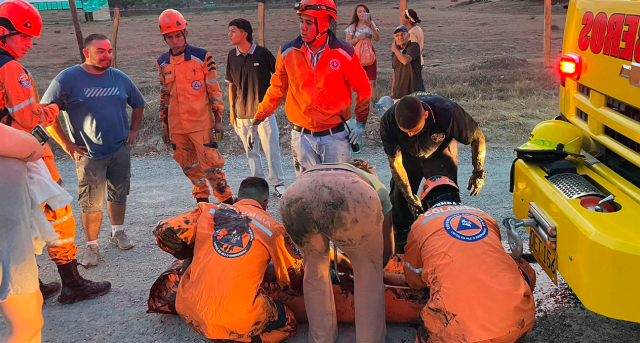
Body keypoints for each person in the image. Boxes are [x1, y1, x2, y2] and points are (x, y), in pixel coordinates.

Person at [0, 0, 111, 304]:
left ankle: (27, 284)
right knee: (60, 213)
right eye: (24, 37)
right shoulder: (9, 67)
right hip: (23, 153)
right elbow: (28, 118)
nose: (30, 45)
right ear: (2, 32)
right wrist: (54, 109)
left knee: (14, 219)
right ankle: (71, 283)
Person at [153, 177, 303, 343]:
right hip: (239, 319)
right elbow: (293, 278)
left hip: (188, 308)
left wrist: (188, 255)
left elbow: (163, 230)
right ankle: (246, 339)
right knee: (288, 322)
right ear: (266, 203)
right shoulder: (274, 230)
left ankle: (220, 332)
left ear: (237, 200)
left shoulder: (209, 211)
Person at [42, 34, 145, 268]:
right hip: (90, 155)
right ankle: (91, 246)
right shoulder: (67, 79)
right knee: (91, 203)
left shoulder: (119, 78)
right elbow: (47, 114)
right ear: (86, 52)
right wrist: (66, 144)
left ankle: (117, 233)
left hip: (119, 150)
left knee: (119, 194)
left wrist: (134, 131)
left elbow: (138, 104)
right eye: (100, 51)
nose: (107, 55)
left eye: (109, 51)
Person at [247, 0, 372, 177]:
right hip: (302, 137)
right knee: (307, 194)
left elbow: (363, 87)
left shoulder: (344, 53)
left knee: (337, 192)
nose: (303, 28)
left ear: (325, 24)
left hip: (336, 138)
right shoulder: (287, 52)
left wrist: (360, 122)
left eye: (309, 23)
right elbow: (276, 89)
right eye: (301, 22)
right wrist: (257, 119)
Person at [404, 176, 536, 343]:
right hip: (519, 325)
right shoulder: (484, 216)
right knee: (518, 265)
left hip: (460, 333)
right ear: (457, 198)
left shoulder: (421, 224)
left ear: (426, 205)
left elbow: (414, 277)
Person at [280, 159, 394, 343]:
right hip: (351, 194)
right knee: (368, 272)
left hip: (295, 194)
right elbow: (387, 247)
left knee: (314, 269)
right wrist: (373, 265)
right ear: (367, 173)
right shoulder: (374, 186)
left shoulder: (322, 170)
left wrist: (343, 262)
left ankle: (321, 339)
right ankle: (370, 339)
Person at [380, 92, 486, 252]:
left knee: (445, 203)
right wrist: (409, 197)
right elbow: (395, 163)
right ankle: (401, 250)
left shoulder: (447, 112)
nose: (409, 134)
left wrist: (478, 172)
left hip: (440, 153)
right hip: (407, 156)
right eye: (405, 131)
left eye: (414, 130)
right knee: (400, 204)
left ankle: (449, 248)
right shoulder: (388, 122)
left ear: (426, 115)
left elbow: (478, 138)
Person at [155, 9, 234, 205]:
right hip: (176, 125)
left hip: (201, 123)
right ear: (164, 38)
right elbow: (164, 94)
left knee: (211, 164)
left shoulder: (202, 57)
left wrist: (218, 121)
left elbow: (214, 92)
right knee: (188, 164)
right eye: (170, 37)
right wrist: (165, 126)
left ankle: (227, 202)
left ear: (185, 34)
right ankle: (202, 202)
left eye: (177, 35)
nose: (174, 40)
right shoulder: (162, 63)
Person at [0, 116, 45, 343]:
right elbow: (32, 147)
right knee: (27, 325)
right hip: (0, 236)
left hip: (6, 229)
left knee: (33, 307)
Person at [226, 18, 286, 197]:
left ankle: (278, 184)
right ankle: (258, 186)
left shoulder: (262, 53)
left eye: (233, 31)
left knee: (271, 149)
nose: (229, 35)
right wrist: (232, 111)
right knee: (251, 152)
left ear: (245, 34)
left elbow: (279, 76)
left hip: (264, 113)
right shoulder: (231, 55)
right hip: (242, 114)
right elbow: (231, 85)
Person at [345, 4, 380, 103]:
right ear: (356, 13)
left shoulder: (371, 24)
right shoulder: (352, 27)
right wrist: (359, 38)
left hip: (370, 54)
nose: (362, 13)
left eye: (364, 11)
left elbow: (377, 39)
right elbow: (347, 42)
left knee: (372, 81)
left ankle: (374, 102)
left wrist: (371, 27)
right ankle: (361, 102)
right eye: (359, 11)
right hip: (357, 55)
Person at [391, 25, 423, 100]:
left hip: (413, 92)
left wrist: (395, 50)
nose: (400, 37)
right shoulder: (395, 53)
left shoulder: (413, 46)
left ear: (408, 36)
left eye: (403, 34)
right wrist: (392, 91)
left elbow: (405, 61)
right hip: (398, 93)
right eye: (397, 36)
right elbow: (395, 72)